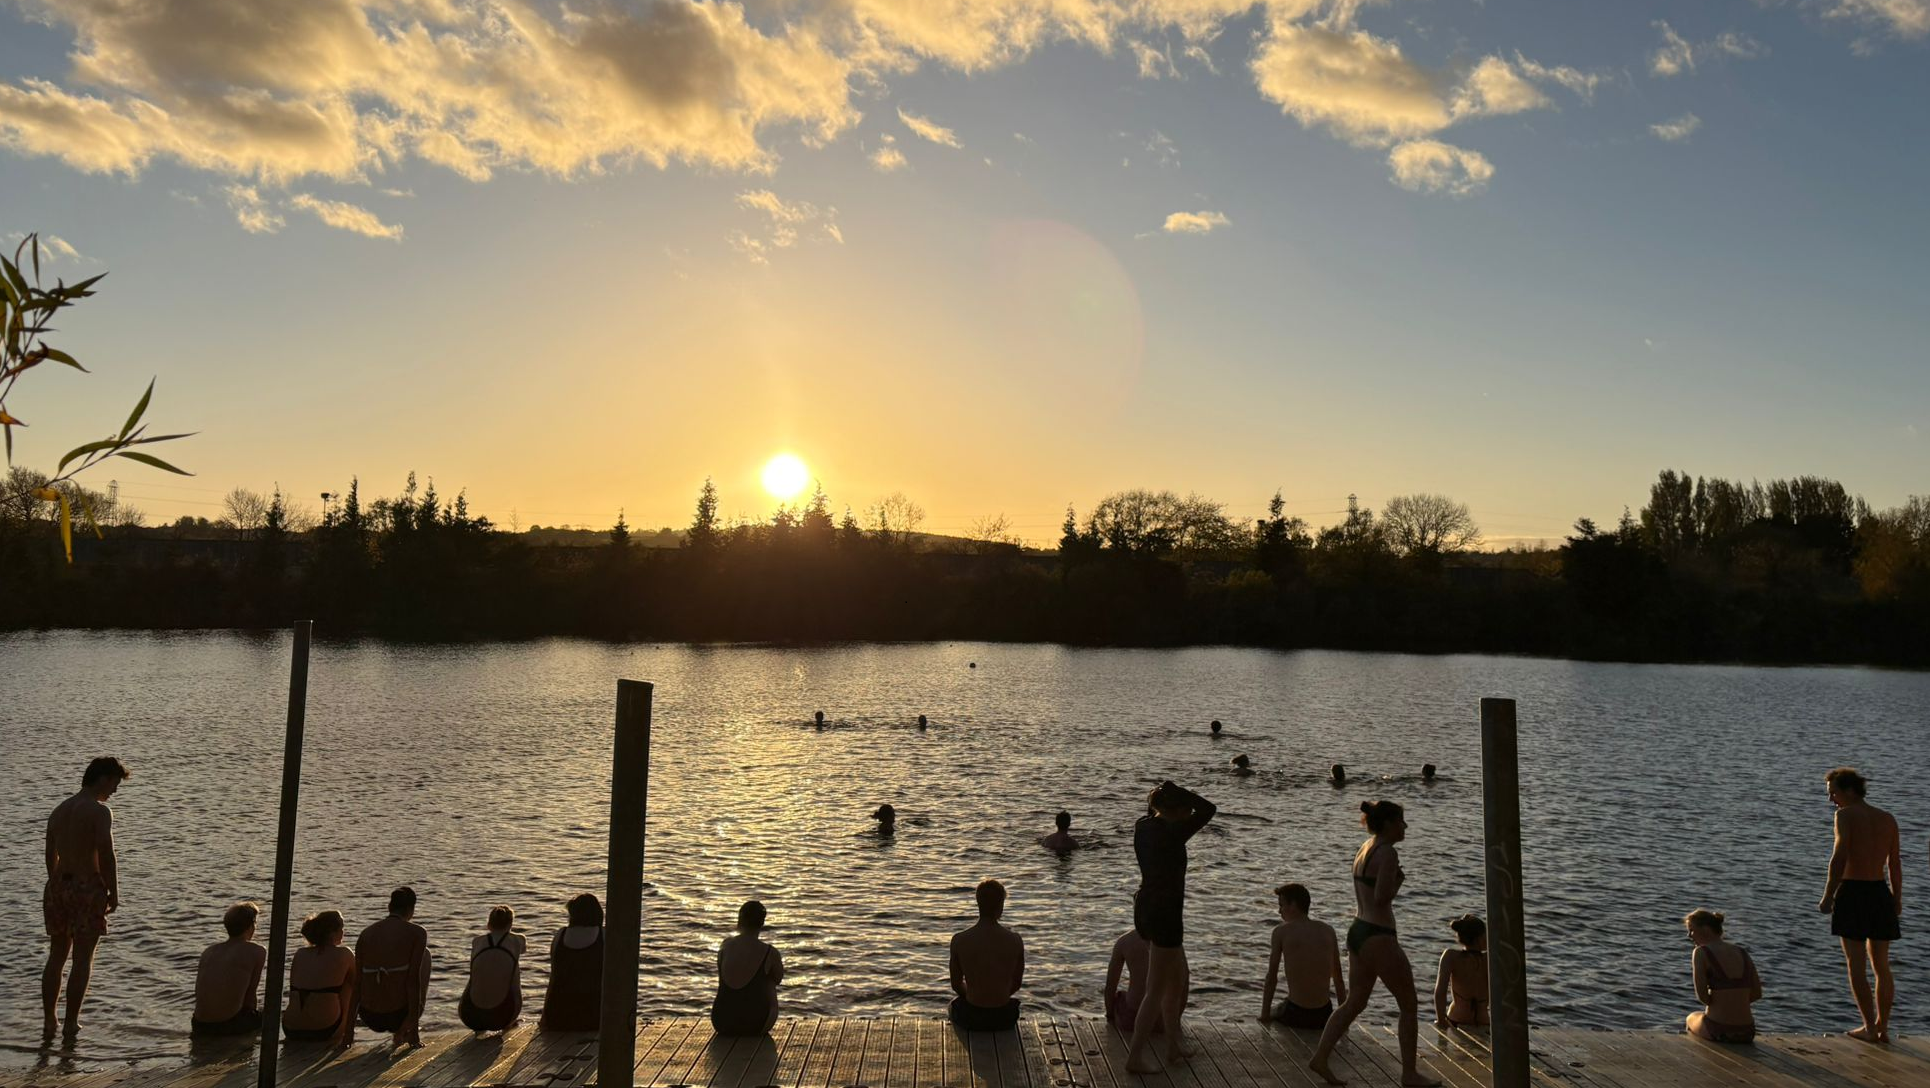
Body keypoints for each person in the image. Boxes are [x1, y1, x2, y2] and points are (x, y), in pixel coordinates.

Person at [1309, 800, 1439, 1088]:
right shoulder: (1388, 853)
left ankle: (1320, 1057)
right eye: (1401, 821)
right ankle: (1409, 1074)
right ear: (1389, 824)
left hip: (1358, 930)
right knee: (1408, 1004)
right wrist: (1398, 882)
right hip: (1379, 934)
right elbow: (1382, 897)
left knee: (1354, 1002)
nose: (1405, 826)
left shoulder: (1365, 848)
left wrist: (1393, 881)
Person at [1125, 780, 1216, 1073]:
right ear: (1175, 809)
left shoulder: (1144, 826)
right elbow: (1209, 809)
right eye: (1184, 809)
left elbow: (1154, 811)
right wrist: (1182, 790)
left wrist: (1168, 796)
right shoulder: (1174, 832)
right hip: (1166, 914)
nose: (1189, 813)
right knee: (1156, 989)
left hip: (1146, 907)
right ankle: (1135, 1057)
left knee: (1176, 980)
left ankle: (1173, 1045)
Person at [43, 756, 129, 1046]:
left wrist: (57, 885)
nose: (115, 790)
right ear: (103, 778)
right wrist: (113, 891)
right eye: (115, 783)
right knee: (82, 958)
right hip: (86, 886)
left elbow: (50, 856)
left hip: (57, 885)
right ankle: (70, 1024)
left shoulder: (59, 811)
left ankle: (49, 1020)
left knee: (56, 955)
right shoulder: (98, 811)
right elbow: (106, 853)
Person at [1817, 767, 1902, 1043]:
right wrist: (1897, 898)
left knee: (1856, 964)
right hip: (1880, 892)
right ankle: (1883, 1028)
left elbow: (1839, 857)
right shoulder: (1887, 818)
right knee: (1882, 966)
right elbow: (1894, 863)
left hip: (1853, 891)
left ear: (1850, 790)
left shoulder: (1845, 815)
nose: (1831, 799)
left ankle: (1869, 1027)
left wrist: (1828, 895)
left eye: (1833, 792)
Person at [1261, 883, 1345, 1030]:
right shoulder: (1328, 930)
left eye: (1281, 905)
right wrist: (1344, 1018)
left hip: (1295, 1013)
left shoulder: (1281, 932)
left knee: (1275, 1010)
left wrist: (1264, 1015)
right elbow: (1338, 977)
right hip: (1324, 1015)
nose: (1279, 911)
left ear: (1293, 905)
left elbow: (1271, 977)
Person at [355, 886, 430, 1046]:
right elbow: (413, 982)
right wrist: (415, 1035)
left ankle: (401, 1031)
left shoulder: (366, 933)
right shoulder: (417, 933)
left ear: (390, 907)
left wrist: (348, 1035)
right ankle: (405, 1031)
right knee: (426, 956)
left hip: (369, 1016)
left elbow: (357, 984)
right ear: (411, 909)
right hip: (399, 1015)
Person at [948, 879, 1024, 1031]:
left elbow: (956, 984)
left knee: (953, 1005)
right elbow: (1016, 983)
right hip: (1004, 1017)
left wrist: (971, 994)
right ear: (1001, 906)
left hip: (972, 1016)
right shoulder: (1015, 940)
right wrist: (998, 995)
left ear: (978, 904)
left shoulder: (959, 940)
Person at [1682, 909, 1761, 1044]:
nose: (1689, 936)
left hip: (1718, 1030)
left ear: (1706, 929)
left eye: (1692, 930)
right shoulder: (1741, 952)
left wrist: (1719, 1004)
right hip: (1747, 1031)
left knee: (1691, 1018)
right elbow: (1757, 993)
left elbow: (1703, 997)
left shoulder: (1701, 952)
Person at [192, 902, 268, 1037]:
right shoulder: (256, 951)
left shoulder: (209, 951)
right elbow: (250, 995)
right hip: (228, 1024)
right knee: (271, 1015)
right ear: (251, 926)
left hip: (199, 1023)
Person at [283, 911, 356, 1046]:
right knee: (349, 985)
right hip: (325, 1029)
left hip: (290, 1028)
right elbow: (358, 985)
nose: (343, 932)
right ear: (332, 932)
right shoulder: (344, 953)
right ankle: (347, 1030)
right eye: (341, 928)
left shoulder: (300, 953)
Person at [712, 900, 785, 1036]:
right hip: (754, 1025)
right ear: (762, 923)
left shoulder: (725, 945)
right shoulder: (770, 952)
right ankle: (761, 1016)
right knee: (769, 980)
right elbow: (778, 978)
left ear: (740, 920)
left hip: (721, 1021)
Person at [539, 893, 604, 1031]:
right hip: (592, 1016)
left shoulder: (560, 935)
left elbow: (554, 977)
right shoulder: (604, 936)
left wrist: (545, 1015)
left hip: (558, 1015)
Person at [459, 906, 525, 1034]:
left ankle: (479, 1027)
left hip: (468, 1015)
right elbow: (523, 950)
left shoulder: (477, 941)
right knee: (513, 968)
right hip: (501, 1018)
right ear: (511, 924)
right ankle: (510, 1023)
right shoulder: (518, 940)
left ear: (488, 924)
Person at [1432, 915, 1489, 1028]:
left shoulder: (1451, 956)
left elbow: (1440, 992)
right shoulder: (1490, 958)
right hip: (1484, 1022)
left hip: (1456, 1020)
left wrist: (1441, 1021)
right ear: (1479, 937)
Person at [1103, 927, 1154, 1034]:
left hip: (1132, 1019)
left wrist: (1110, 1015)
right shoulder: (1169, 942)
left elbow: (1110, 986)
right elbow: (1184, 982)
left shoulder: (1124, 941)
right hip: (1162, 1020)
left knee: (1119, 997)